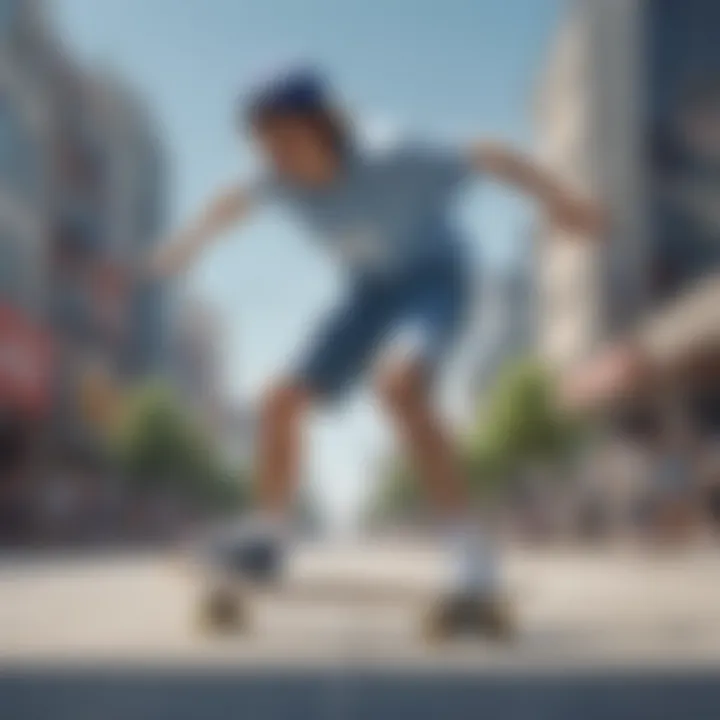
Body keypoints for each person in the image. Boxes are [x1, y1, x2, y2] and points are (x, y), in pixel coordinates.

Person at [152, 67, 603, 635]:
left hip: (435, 282)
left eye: (288, 141)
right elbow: (228, 203)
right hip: (367, 293)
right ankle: (267, 539)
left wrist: (564, 201)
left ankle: (470, 559)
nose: (279, 159)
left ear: (325, 128)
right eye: (265, 145)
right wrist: (184, 246)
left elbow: (492, 154)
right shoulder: (274, 178)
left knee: (398, 386)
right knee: (278, 399)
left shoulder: (397, 153)